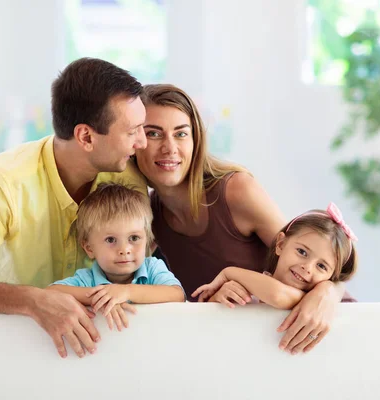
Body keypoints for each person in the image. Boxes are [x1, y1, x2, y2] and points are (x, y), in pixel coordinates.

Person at [0, 58, 148, 359]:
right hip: (4, 353)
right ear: (86, 137)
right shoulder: (5, 182)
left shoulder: (127, 175)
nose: (142, 143)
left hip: (100, 354)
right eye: (132, 131)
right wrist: (32, 301)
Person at [135, 84, 355, 355]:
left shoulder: (236, 191)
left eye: (181, 133)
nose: (169, 147)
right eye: (153, 133)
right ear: (134, 142)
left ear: (196, 141)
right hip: (253, 348)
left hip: (321, 332)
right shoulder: (146, 216)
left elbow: (313, 260)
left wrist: (328, 294)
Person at [47, 183, 184, 332]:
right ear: (89, 248)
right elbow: (50, 293)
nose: (124, 250)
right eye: (111, 240)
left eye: (134, 238)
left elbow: (177, 295)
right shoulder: (87, 279)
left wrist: (126, 292)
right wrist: (103, 298)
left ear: (147, 240)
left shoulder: (152, 268)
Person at [192, 203, 358, 319]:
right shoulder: (250, 288)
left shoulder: (309, 302)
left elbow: (277, 294)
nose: (307, 267)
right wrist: (219, 299)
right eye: (302, 252)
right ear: (280, 244)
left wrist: (229, 272)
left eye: (321, 266)